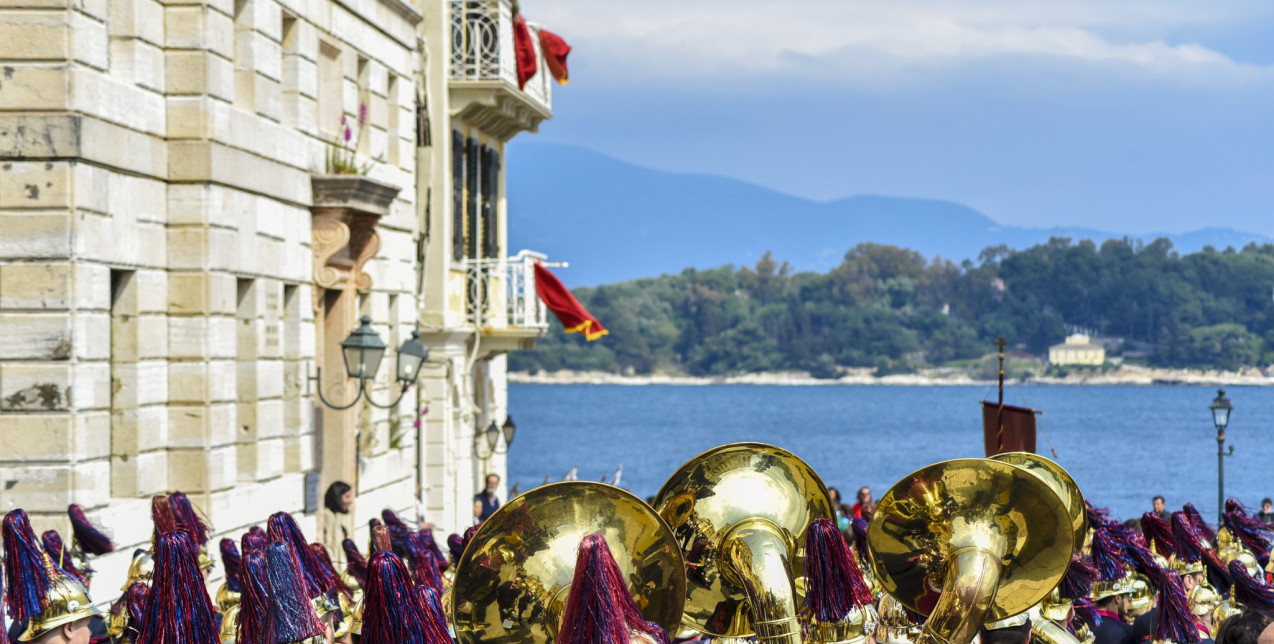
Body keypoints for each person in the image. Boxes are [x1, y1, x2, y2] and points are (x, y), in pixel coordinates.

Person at [321, 480, 353, 555]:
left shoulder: (336, 515)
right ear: (338, 497)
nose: (350, 501)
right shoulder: (328, 516)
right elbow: (329, 546)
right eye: (347, 497)